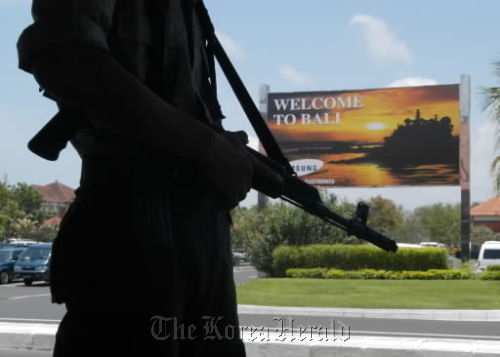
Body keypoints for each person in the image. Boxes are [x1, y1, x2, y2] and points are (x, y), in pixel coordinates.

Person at [17, 0, 282, 356]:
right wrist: (207, 147)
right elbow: (63, 55)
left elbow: (183, 107)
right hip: (130, 236)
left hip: (199, 236)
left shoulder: (192, 10)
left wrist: (220, 149)